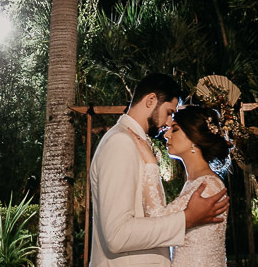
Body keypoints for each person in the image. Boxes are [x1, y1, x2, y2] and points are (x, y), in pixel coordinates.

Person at [89, 74, 229, 267]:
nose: (168, 124)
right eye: (169, 112)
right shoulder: (121, 142)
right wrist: (186, 220)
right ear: (151, 100)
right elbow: (117, 235)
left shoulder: (133, 143)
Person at [130, 106, 231, 266]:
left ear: (193, 138)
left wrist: (151, 165)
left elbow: (157, 222)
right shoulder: (195, 183)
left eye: (175, 129)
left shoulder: (207, 186)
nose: (166, 134)